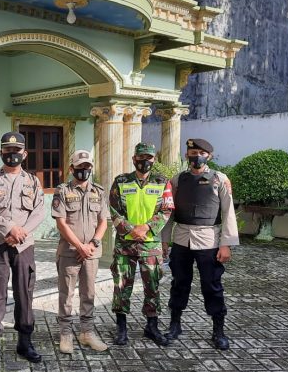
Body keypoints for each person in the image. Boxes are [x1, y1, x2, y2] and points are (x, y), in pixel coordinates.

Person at [161, 138, 239, 350]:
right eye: (193, 152)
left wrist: (226, 244)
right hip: (182, 239)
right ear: (187, 155)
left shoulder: (219, 179)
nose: (197, 156)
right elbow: (169, 212)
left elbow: (228, 212)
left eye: (201, 153)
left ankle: (218, 330)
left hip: (208, 240)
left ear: (209, 156)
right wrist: (164, 240)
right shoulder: (178, 180)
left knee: (212, 285)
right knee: (179, 283)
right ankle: (175, 325)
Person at [0, 132, 45, 367]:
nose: (12, 154)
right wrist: (9, 229)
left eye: (16, 151)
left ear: (24, 154)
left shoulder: (33, 181)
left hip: (24, 245)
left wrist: (21, 233)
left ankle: (25, 342)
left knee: (24, 292)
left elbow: (39, 211)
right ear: (1, 152)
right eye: (8, 150)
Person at [109, 142, 174, 346]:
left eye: (148, 158)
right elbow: (114, 210)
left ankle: (152, 326)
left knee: (152, 285)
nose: (144, 161)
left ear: (154, 160)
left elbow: (166, 210)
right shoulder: (121, 181)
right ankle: (121, 327)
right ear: (134, 159)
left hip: (150, 244)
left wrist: (146, 228)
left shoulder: (162, 182)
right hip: (125, 244)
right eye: (140, 157)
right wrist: (131, 229)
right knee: (121, 285)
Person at [52, 150, 109, 353]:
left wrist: (92, 244)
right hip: (69, 251)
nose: (84, 170)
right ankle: (66, 334)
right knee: (66, 294)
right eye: (80, 167)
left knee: (89, 293)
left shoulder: (99, 192)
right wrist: (79, 246)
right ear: (71, 168)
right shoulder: (62, 191)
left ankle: (87, 333)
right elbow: (61, 223)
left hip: (91, 252)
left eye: (87, 167)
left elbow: (103, 221)